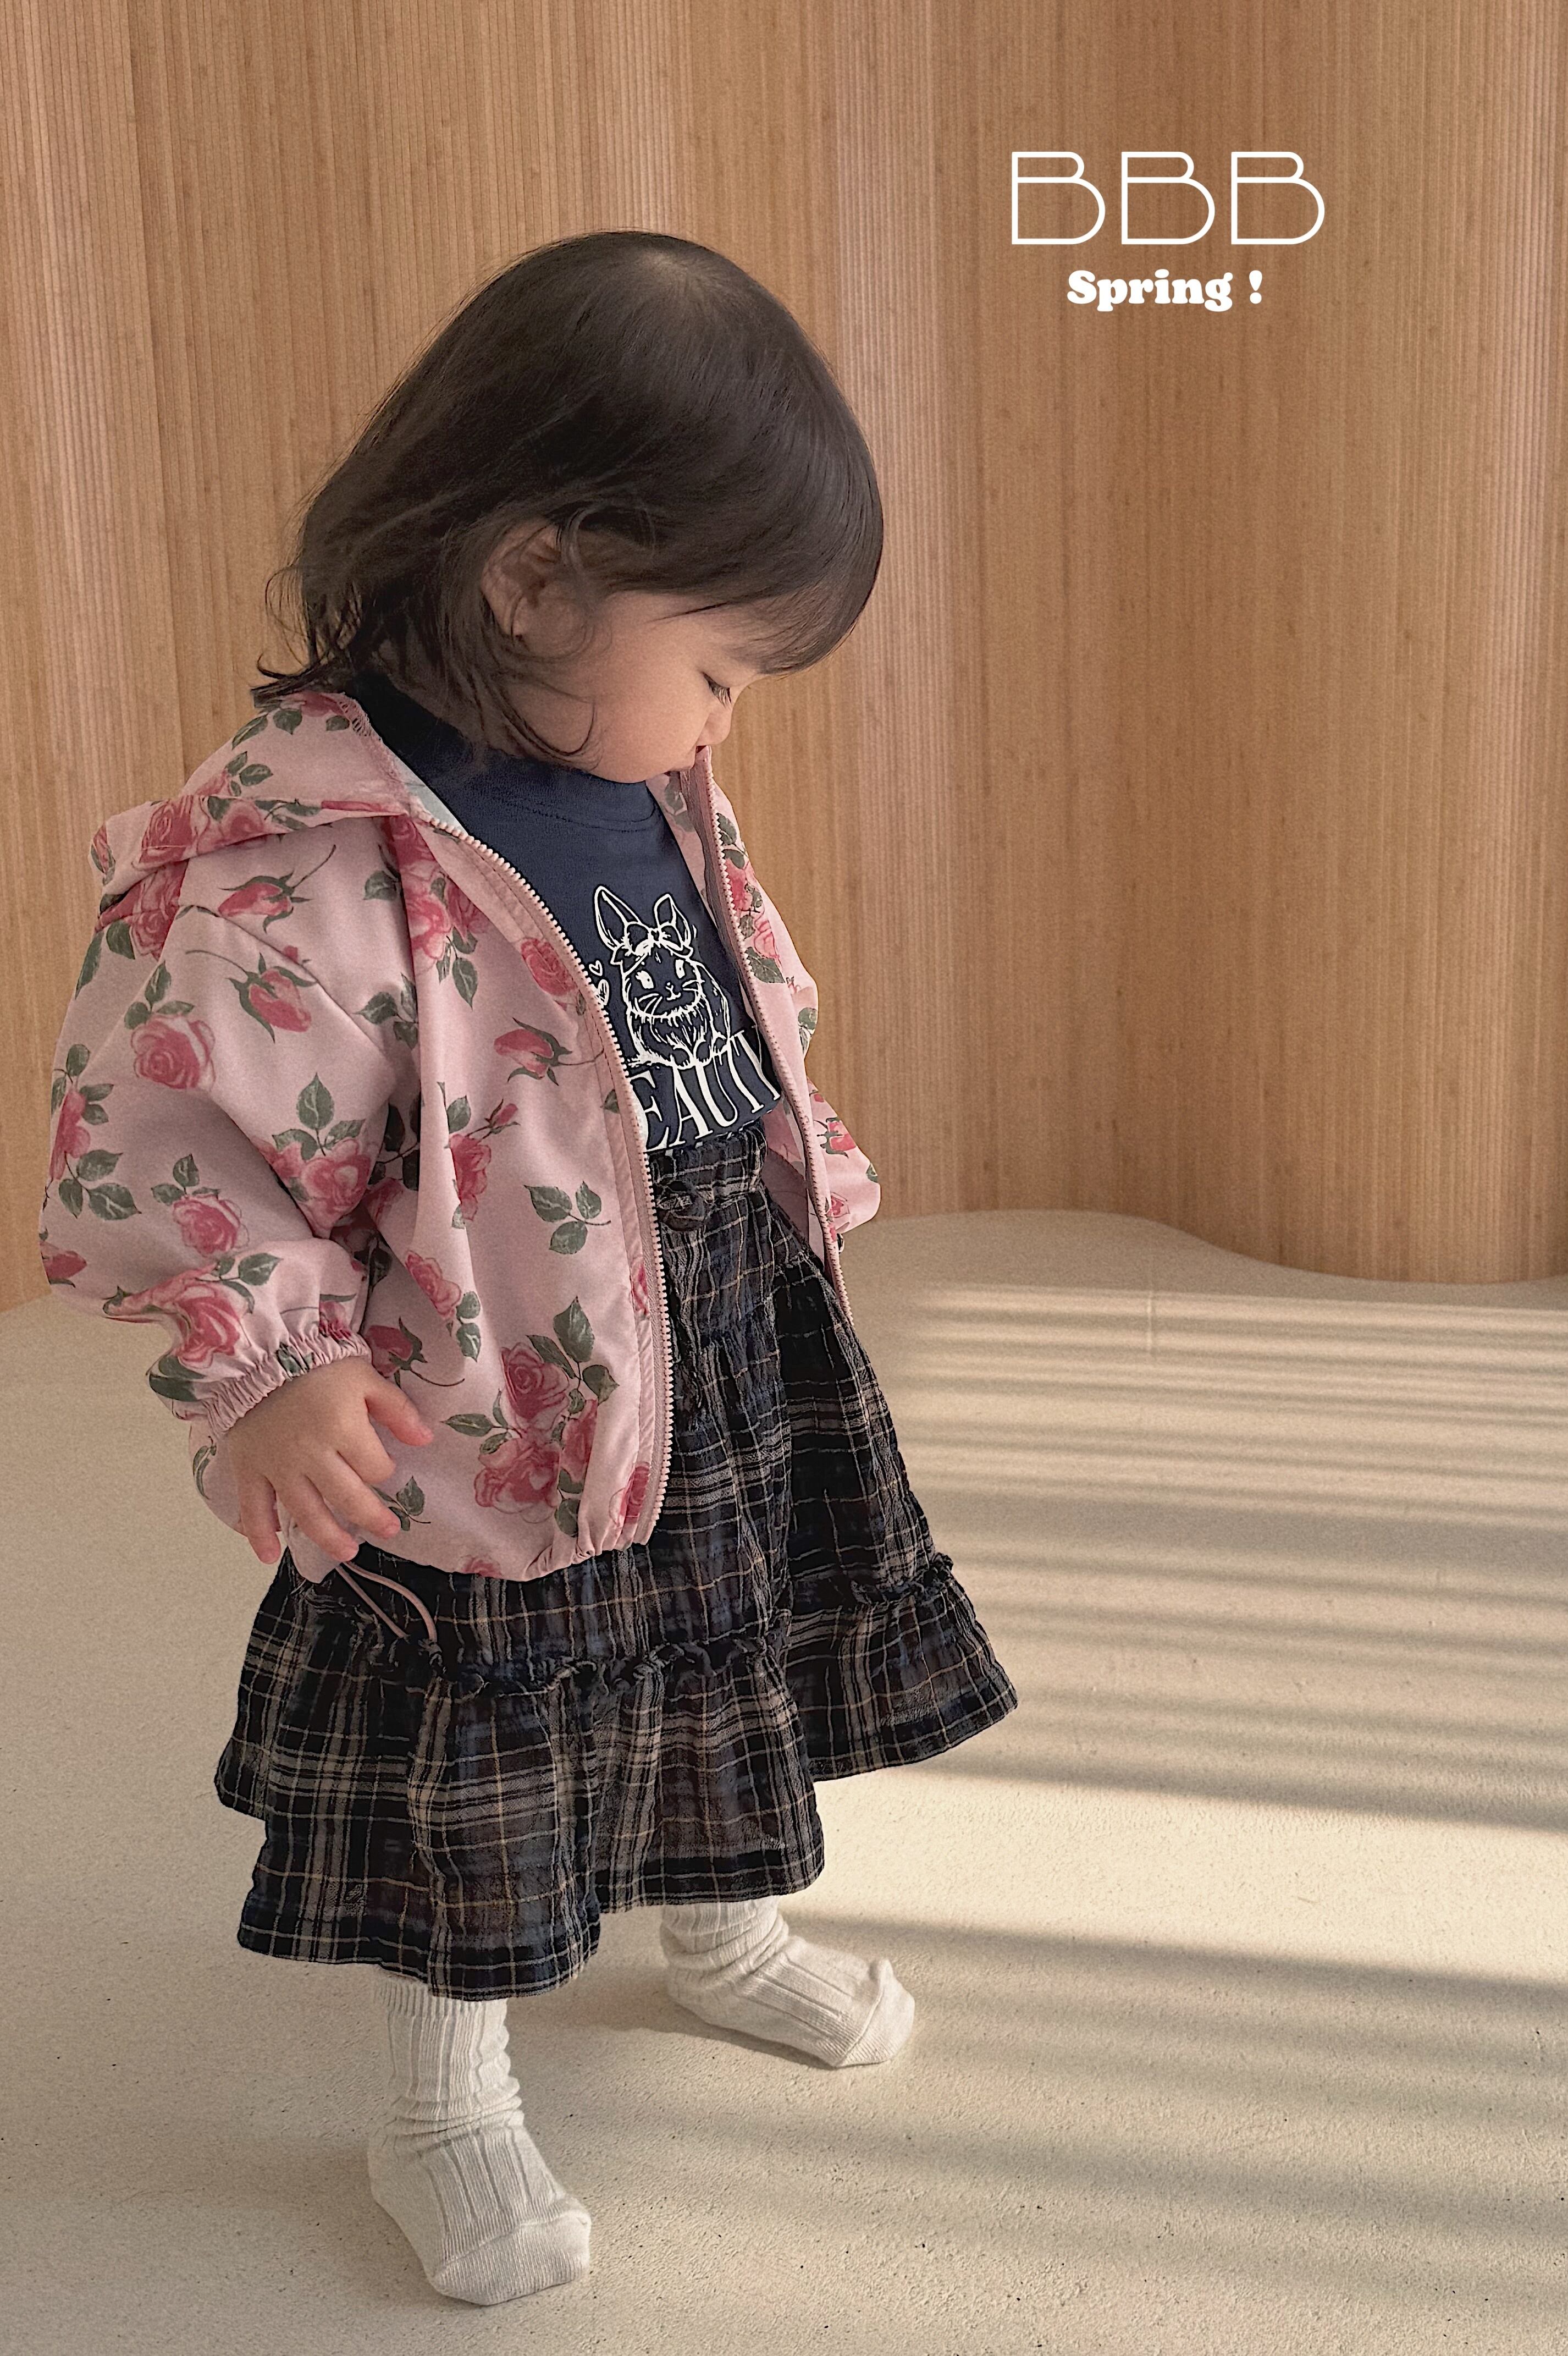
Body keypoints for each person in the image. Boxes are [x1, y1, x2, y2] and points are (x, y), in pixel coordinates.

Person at [34, 230, 1017, 2308]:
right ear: (536, 575)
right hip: (482, 1388)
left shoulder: (634, 769)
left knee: (725, 1647)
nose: (725, 718)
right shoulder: (304, 857)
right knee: (480, 1749)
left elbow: (719, 981)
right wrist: (272, 1363)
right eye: (721, 664)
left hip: (707, 1307)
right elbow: (177, 1132)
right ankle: (442, 2096)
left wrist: (794, 1145)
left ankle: (722, 1924)